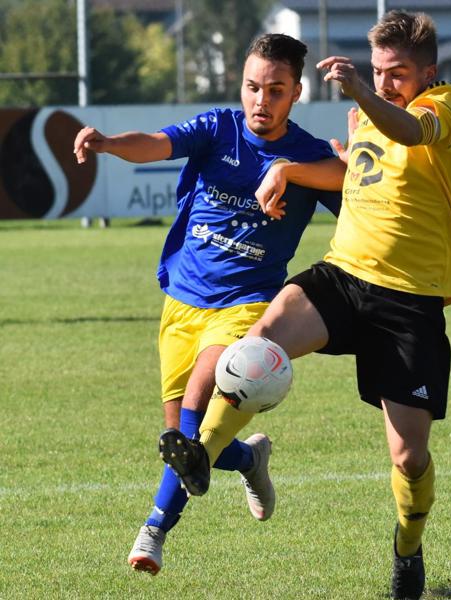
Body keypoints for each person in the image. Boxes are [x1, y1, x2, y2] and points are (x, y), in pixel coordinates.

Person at [156, 11, 451, 600]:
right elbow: (350, 172)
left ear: (428, 72)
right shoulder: (363, 119)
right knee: (257, 343)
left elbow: (409, 132)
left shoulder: (445, 106)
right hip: (344, 275)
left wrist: (357, 91)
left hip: (409, 303)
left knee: (408, 457)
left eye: (397, 72)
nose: (384, 82)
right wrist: (285, 169)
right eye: (376, 72)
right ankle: (205, 452)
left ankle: (408, 544)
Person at [73, 33, 346, 575]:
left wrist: (302, 169)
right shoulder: (217, 128)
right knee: (186, 442)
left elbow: (355, 192)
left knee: (200, 399)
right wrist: (106, 144)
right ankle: (250, 459)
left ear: (296, 93)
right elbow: (153, 143)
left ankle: (152, 531)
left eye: (275, 90)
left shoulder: (309, 155)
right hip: (181, 300)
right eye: (252, 87)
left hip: (248, 304)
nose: (260, 100)